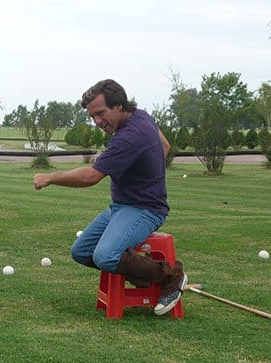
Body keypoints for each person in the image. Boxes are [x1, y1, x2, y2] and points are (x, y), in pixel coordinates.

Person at [33, 79, 187, 315]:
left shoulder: (129, 137)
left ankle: (171, 277)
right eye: (92, 116)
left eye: (101, 113)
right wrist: (147, 173)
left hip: (145, 210)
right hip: (121, 207)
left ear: (119, 106)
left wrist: (51, 178)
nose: (97, 121)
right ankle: (146, 275)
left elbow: (91, 176)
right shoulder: (141, 116)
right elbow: (164, 146)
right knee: (81, 252)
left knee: (105, 256)